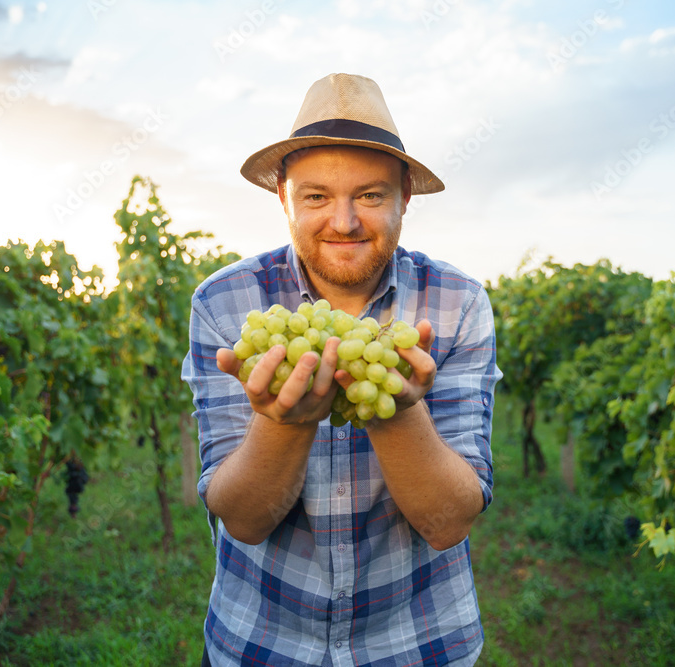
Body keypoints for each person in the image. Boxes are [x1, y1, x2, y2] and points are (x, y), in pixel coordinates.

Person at [182, 73, 502, 667]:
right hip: (259, 645)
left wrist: (398, 412)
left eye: (372, 196)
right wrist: (285, 424)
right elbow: (244, 521)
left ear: (406, 194)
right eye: (316, 196)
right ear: (283, 196)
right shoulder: (224, 303)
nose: (345, 221)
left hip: (421, 646)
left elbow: (448, 522)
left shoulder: (459, 304)